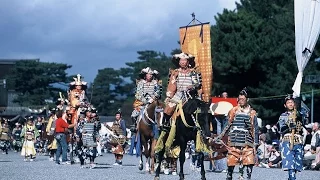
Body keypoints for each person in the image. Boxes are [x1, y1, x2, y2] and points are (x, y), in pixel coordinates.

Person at [216, 88, 259, 180]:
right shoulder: (234, 110)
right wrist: (221, 136)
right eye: (240, 99)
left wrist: (256, 143)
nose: (241, 101)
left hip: (248, 141)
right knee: (231, 162)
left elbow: (255, 128)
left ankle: (247, 177)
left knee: (249, 162)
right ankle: (229, 175)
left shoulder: (252, 113)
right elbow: (228, 124)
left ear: (247, 100)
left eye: (243, 99)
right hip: (234, 140)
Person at [162, 52, 202, 129]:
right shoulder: (175, 73)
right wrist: (169, 96)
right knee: (169, 107)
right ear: (179, 62)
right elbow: (172, 85)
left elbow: (197, 83)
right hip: (179, 94)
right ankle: (165, 124)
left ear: (188, 62)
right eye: (181, 60)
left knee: (201, 109)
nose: (183, 62)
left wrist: (192, 86)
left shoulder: (193, 72)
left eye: (185, 60)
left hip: (191, 95)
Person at [278, 94, 304, 180]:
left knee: (296, 164)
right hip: (288, 141)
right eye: (288, 102)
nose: (290, 104)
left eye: (292, 102)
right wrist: (289, 126)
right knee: (290, 163)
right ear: (285, 105)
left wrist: (298, 102)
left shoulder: (299, 114)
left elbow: (303, 118)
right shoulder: (283, 116)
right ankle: (292, 178)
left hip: (298, 140)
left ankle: (291, 178)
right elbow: (281, 128)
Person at [131, 67, 162, 133]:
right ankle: (135, 125)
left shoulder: (155, 83)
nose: (150, 75)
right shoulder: (141, 83)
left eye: (151, 74)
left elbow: (158, 93)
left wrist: (153, 98)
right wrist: (145, 100)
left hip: (153, 102)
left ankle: (161, 125)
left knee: (161, 111)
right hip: (142, 102)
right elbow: (138, 94)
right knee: (134, 114)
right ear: (145, 75)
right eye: (149, 74)